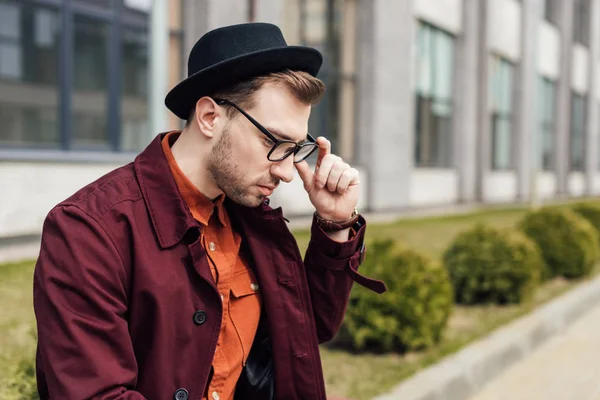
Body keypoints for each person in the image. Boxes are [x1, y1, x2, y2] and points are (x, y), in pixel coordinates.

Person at [33, 22, 385, 400]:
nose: (286, 171)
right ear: (209, 117)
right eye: (273, 141)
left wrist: (334, 224)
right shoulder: (88, 230)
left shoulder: (253, 218)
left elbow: (302, 331)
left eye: (296, 148)